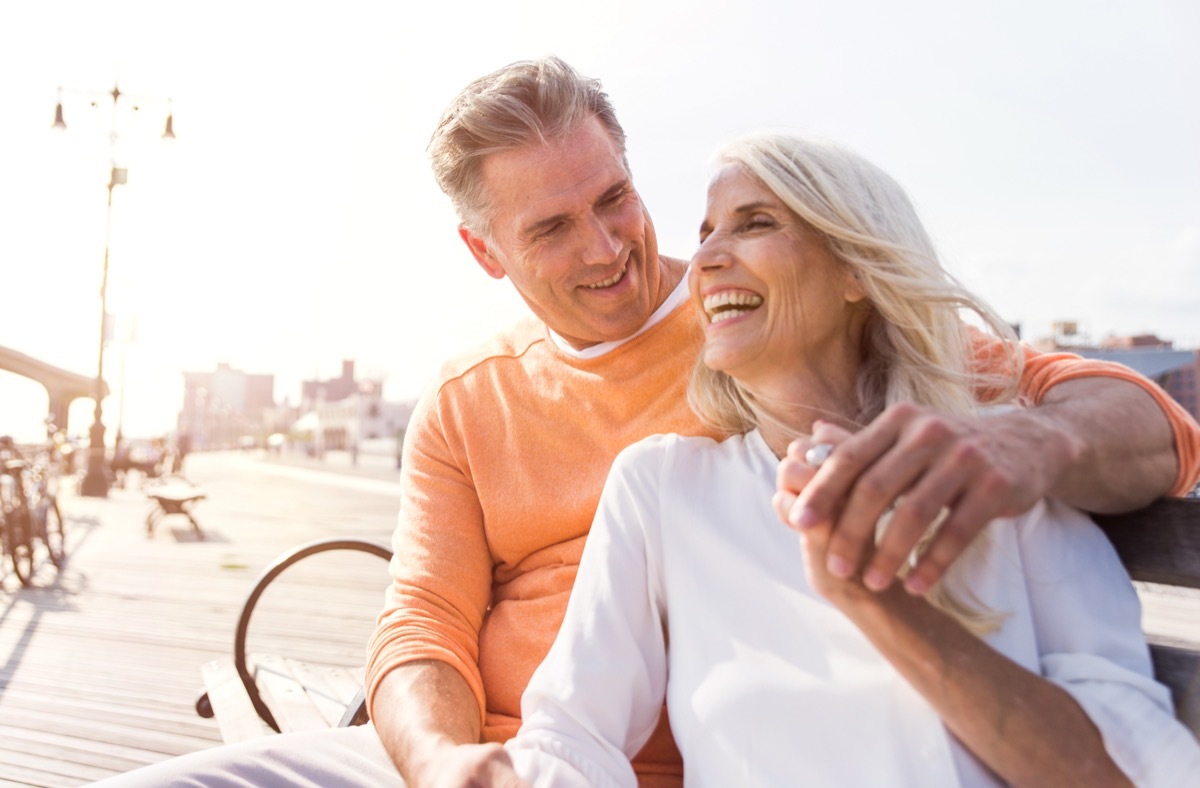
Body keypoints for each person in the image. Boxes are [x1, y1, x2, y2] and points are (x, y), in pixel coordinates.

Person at [98, 57, 1200, 787]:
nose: (611, 247)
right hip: (497, 758)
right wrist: (441, 760)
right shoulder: (488, 403)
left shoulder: (776, 321)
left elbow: (1101, 410)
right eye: (554, 227)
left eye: (616, 197)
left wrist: (1032, 444)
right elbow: (423, 616)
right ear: (487, 252)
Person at [504, 131, 1200, 787]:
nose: (706, 259)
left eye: (754, 223)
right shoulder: (662, 489)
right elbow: (569, 739)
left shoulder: (999, 472)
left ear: (855, 272)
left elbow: (1131, 774)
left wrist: (882, 605)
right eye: (705, 232)